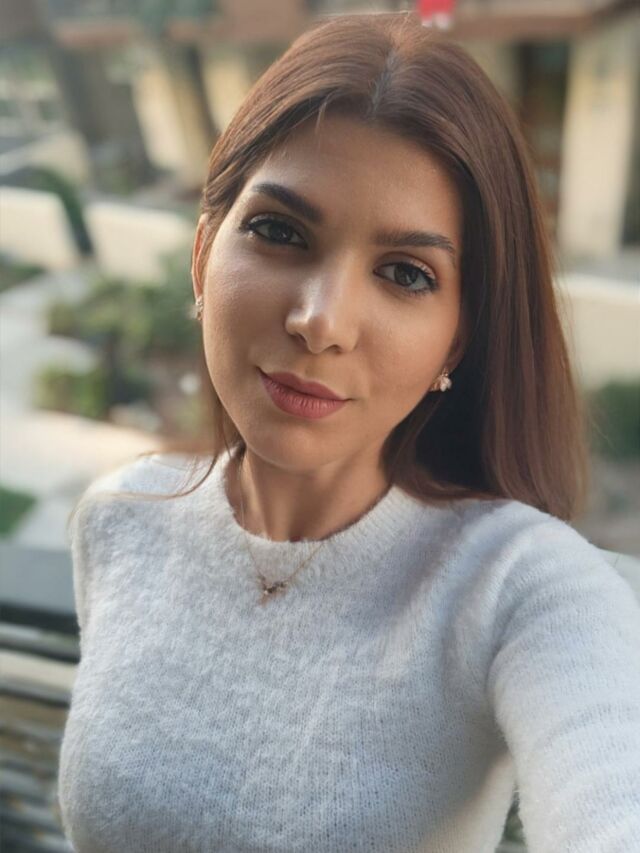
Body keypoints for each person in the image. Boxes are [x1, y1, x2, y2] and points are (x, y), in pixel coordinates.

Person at [57, 12, 640, 853]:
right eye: (280, 231)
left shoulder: (520, 586)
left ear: (457, 340)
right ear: (202, 252)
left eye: (406, 273)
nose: (322, 320)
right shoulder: (119, 517)